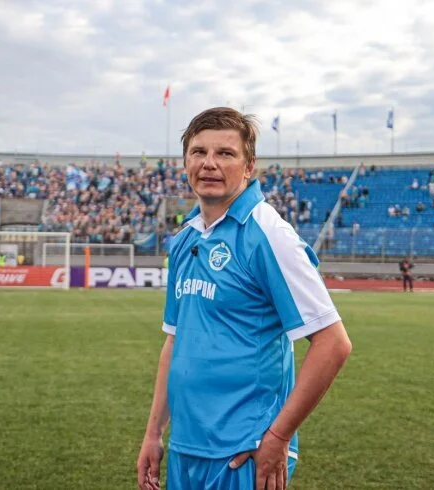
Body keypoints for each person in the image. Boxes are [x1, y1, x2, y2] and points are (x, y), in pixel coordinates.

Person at [136, 107, 352, 490]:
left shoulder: (269, 234)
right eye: (199, 152)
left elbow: (333, 343)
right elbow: (174, 341)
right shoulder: (185, 239)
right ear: (185, 162)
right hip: (187, 446)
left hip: (244, 450)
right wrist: (154, 433)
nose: (209, 163)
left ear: (249, 166)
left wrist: (279, 435)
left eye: (225, 153)